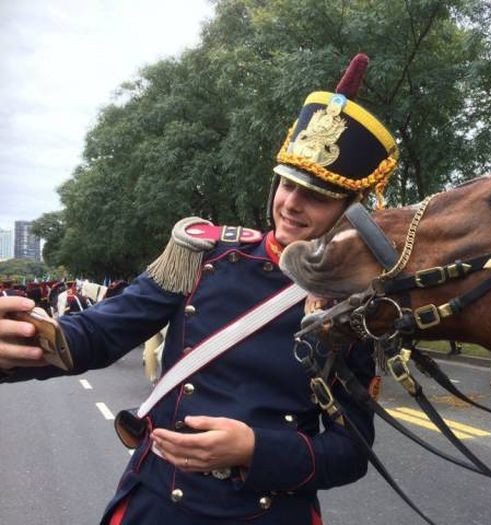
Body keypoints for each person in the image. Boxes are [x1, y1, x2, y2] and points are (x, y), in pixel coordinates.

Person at [0, 54, 399, 525]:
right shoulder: (203, 254)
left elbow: (350, 452)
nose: (290, 203)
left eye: (317, 195)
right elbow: (97, 332)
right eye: (287, 184)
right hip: (158, 505)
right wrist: (22, 334)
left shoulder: (356, 304)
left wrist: (255, 448)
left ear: (352, 208)